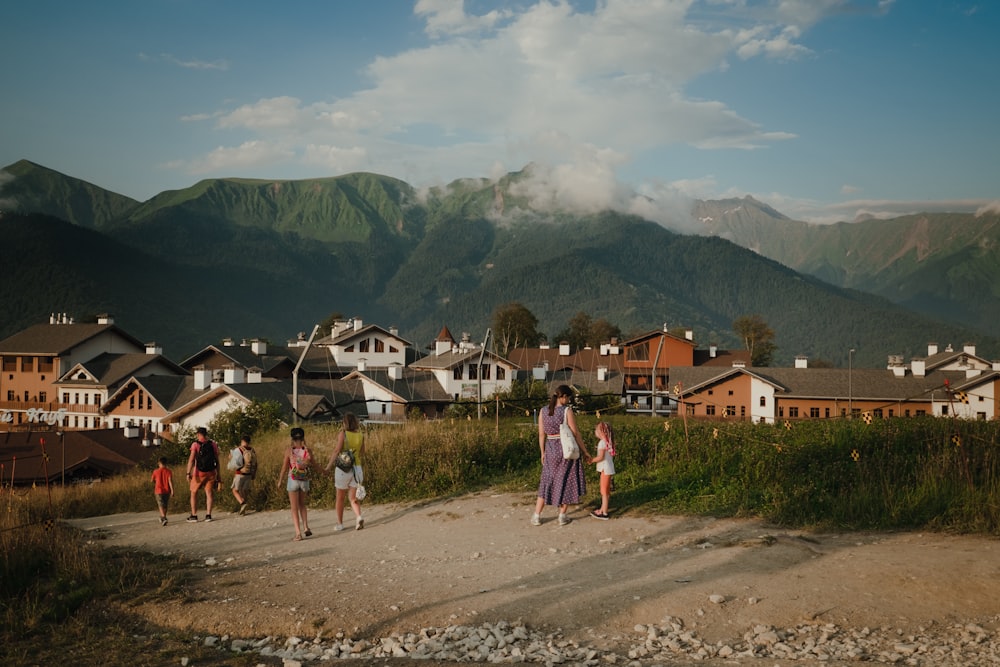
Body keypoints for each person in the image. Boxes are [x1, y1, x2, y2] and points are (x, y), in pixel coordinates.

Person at [532, 384, 590, 526]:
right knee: (566, 480)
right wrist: (585, 451)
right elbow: (575, 433)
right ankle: (562, 516)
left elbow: (541, 434)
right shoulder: (566, 411)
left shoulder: (543, 411)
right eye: (568, 397)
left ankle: (536, 515)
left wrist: (542, 452)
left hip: (550, 448)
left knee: (547, 481)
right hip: (565, 449)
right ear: (563, 397)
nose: (568, 400)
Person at [324, 412, 366, 531]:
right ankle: (358, 517)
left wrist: (328, 466)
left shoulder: (343, 434)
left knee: (340, 497)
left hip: (343, 468)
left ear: (345, 422)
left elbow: (337, 450)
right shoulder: (361, 435)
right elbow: (362, 452)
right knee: (353, 498)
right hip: (357, 468)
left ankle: (340, 524)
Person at [278, 426, 314, 541]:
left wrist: (280, 481)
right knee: (302, 505)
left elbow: (284, 467)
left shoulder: (289, 450)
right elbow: (313, 463)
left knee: (294, 508)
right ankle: (306, 527)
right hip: (304, 480)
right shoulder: (307, 450)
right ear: (303, 437)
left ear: (292, 438)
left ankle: (298, 533)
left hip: (293, 479)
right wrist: (323, 471)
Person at [185, 427, 220, 522]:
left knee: (193, 493)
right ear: (206, 434)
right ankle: (208, 515)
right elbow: (217, 461)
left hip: (198, 473)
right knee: (209, 493)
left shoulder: (195, 445)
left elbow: (191, 460)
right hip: (211, 472)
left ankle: (194, 515)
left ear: (198, 434)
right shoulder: (213, 444)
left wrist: (188, 473)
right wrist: (218, 475)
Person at [589, 421, 616, 520]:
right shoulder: (609, 442)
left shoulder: (602, 443)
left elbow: (600, 457)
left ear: (602, 432)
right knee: (607, 490)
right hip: (609, 468)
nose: (595, 432)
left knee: (603, 491)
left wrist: (591, 460)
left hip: (605, 469)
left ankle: (604, 512)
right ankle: (603, 508)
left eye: (596, 430)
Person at [230, 434, 257, 515]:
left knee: (235, 490)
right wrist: (254, 473)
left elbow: (234, 462)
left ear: (242, 441)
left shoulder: (239, 449)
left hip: (240, 473)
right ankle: (243, 510)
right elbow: (255, 463)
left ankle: (242, 503)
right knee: (244, 491)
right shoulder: (252, 450)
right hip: (249, 474)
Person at [151, 456, 174, 526]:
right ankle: (163, 517)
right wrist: (172, 490)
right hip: (167, 490)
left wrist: (156, 481)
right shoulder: (169, 471)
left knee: (160, 504)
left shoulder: (155, 471)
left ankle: (163, 517)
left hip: (158, 490)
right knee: (165, 505)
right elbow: (170, 481)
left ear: (159, 463)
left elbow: (152, 480)